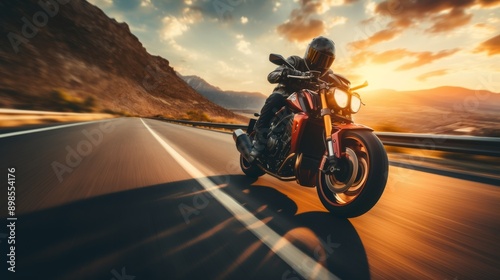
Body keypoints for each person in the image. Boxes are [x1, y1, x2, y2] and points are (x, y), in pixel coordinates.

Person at [249, 36, 336, 161]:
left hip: (310, 103)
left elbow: (335, 84)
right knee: (275, 99)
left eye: (326, 60)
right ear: (309, 53)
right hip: (286, 96)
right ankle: (258, 141)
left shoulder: (328, 74)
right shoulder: (296, 61)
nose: (321, 63)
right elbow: (271, 76)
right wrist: (284, 73)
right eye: (318, 57)